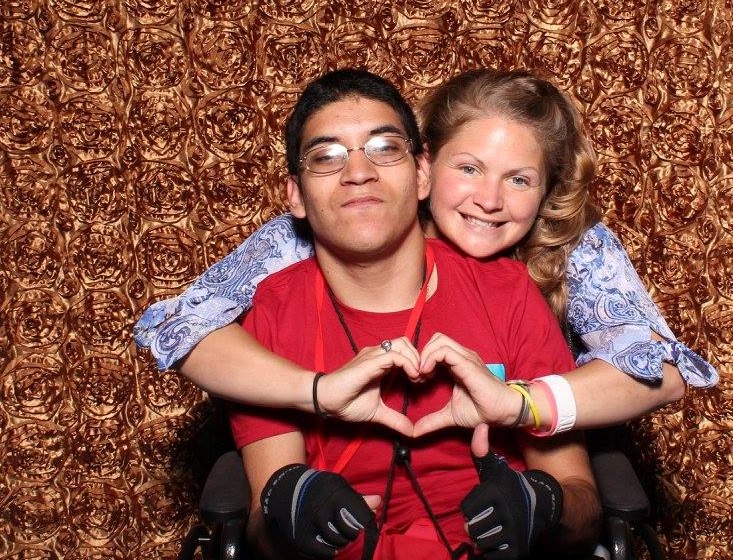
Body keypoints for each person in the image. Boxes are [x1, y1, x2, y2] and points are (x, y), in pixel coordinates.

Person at [133, 68, 717, 435]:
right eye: (469, 169)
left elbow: (663, 372)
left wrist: (517, 404)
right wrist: (316, 391)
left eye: (519, 180)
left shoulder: (577, 244)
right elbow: (182, 328)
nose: (489, 200)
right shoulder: (342, 221)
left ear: (546, 193)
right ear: (424, 167)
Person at [227, 68, 599, 559]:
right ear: (295, 194)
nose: (358, 172)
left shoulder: (507, 292)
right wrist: (288, 506)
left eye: (384, 148)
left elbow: (584, 502)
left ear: (422, 173)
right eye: (326, 156)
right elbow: (259, 525)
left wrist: (543, 503)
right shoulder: (273, 308)